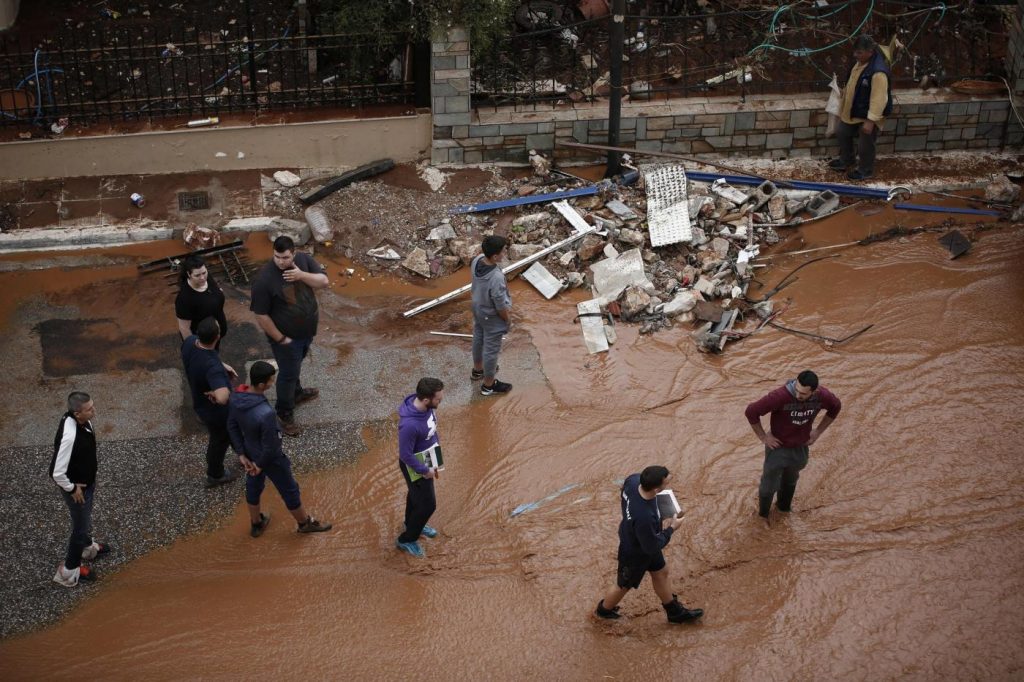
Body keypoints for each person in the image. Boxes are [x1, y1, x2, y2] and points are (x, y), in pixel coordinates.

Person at [227, 361, 332, 537]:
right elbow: (272, 445)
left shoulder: (236, 397)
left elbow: (232, 425)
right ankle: (304, 523)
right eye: (271, 380)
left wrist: (241, 453)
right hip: (270, 459)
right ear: (262, 385)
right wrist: (260, 464)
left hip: (250, 452)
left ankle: (256, 523)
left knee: (253, 485)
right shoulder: (266, 413)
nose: (273, 382)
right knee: (289, 489)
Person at [595, 466, 704, 624]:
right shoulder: (644, 517)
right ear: (655, 489)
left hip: (638, 536)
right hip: (636, 550)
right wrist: (672, 528)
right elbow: (652, 547)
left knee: (661, 572)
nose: (668, 483)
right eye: (666, 482)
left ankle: (674, 612)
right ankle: (603, 612)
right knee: (624, 584)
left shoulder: (633, 482)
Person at [250, 235, 330, 437]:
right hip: (286, 339)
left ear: (293, 253)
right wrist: (280, 338)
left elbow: (323, 281)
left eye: (285, 257)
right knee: (287, 374)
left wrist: (301, 275)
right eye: (277, 256)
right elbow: (261, 315)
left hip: (306, 333)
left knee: (295, 367)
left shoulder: (302, 261)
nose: (281, 261)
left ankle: (296, 393)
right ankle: (284, 413)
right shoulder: (265, 280)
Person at [745, 370, 842, 519]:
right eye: (796, 390)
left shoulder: (823, 396)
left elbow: (836, 406)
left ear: (814, 391)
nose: (798, 396)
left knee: (790, 481)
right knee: (768, 487)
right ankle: (762, 517)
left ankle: (783, 511)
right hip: (778, 448)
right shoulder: (780, 396)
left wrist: (818, 432)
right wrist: (763, 437)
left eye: (803, 394)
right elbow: (751, 411)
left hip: (801, 448)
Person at [49, 392, 112, 587]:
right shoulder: (70, 435)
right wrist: (71, 489)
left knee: (84, 520)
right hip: (78, 490)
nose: (94, 411)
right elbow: (56, 472)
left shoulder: (82, 421)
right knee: (80, 527)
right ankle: (68, 571)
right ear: (77, 414)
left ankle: (86, 547)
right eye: (89, 409)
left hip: (86, 483)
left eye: (92, 406)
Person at [181, 316, 238, 488]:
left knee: (231, 433)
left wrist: (223, 365)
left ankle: (244, 452)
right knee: (219, 440)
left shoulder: (190, 342)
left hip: (200, 403)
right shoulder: (212, 367)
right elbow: (222, 397)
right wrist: (219, 391)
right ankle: (215, 474)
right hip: (216, 413)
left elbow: (207, 356)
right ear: (217, 337)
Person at [830, 34, 893, 181]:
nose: (855, 55)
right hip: (855, 110)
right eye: (855, 52)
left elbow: (879, 99)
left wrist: (871, 121)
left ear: (870, 52)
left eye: (859, 52)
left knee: (866, 145)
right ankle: (847, 160)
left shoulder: (878, 72)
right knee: (842, 131)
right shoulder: (860, 63)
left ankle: (865, 170)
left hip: (869, 114)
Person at [395, 377, 444, 558]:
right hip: (416, 464)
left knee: (416, 496)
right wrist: (425, 470)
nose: (440, 401)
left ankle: (411, 523)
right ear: (425, 400)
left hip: (428, 456)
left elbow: (431, 430)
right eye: (438, 399)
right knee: (428, 505)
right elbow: (405, 455)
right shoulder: (409, 425)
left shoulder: (428, 408)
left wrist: (435, 457)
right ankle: (407, 539)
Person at [471, 235, 512, 396]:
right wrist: (507, 320)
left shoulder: (477, 260)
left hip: (477, 307)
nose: (505, 252)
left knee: (478, 337)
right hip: (491, 314)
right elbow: (500, 305)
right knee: (491, 350)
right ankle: (488, 385)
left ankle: (477, 370)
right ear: (495, 256)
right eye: (503, 251)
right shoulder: (496, 277)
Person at [175, 255, 228, 347]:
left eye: (204, 273)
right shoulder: (184, 298)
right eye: (197, 275)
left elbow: (213, 287)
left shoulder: (205, 278)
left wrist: (218, 292)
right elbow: (184, 328)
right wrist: (194, 349)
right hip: (203, 342)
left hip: (216, 335)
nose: (202, 278)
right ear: (188, 274)